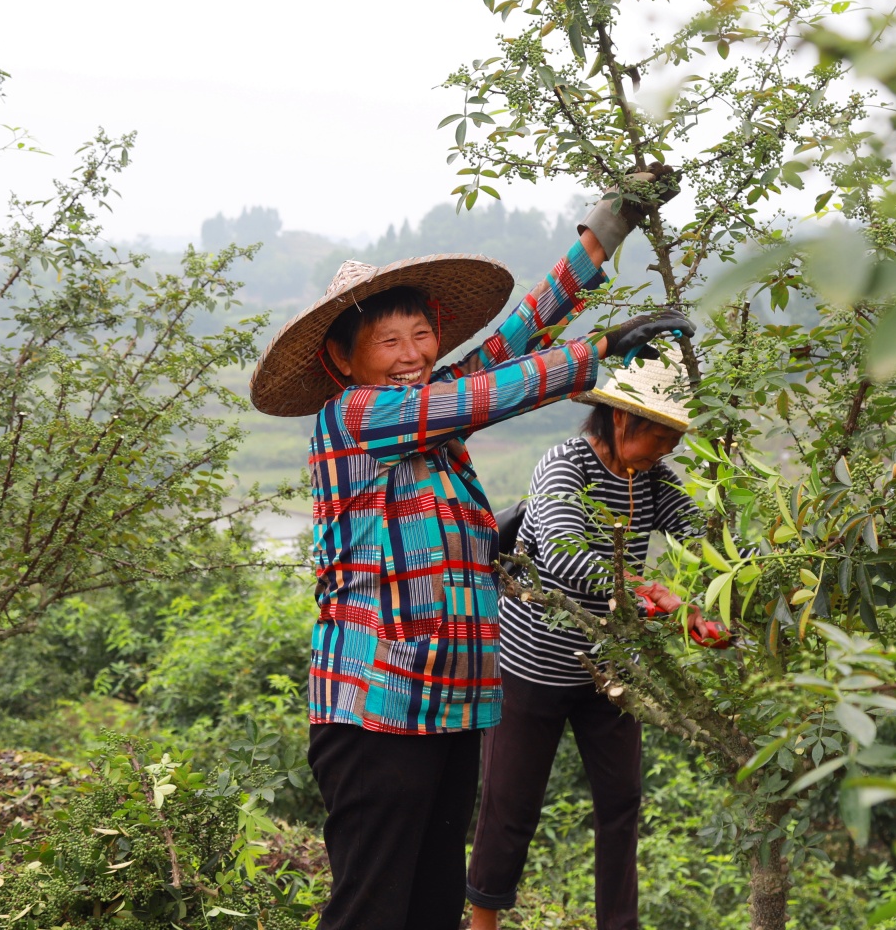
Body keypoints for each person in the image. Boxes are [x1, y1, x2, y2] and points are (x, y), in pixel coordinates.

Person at [247, 171, 690, 930]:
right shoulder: (356, 417)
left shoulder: (427, 419)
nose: (412, 352)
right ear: (345, 362)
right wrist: (604, 352)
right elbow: (489, 394)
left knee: (429, 908)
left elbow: (514, 344)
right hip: (376, 710)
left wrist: (602, 235)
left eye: (421, 334)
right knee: (372, 910)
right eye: (388, 341)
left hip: (449, 706)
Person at [467, 359, 730, 930]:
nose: (663, 451)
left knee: (621, 803)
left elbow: (698, 538)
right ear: (619, 419)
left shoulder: (656, 479)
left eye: (672, 441)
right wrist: (649, 591)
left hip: (611, 670)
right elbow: (562, 550)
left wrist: (713, 602)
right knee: (509, 807)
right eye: (656, 437)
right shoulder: (563, 466)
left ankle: (618, 924)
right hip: (531, 667)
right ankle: (483, 921)